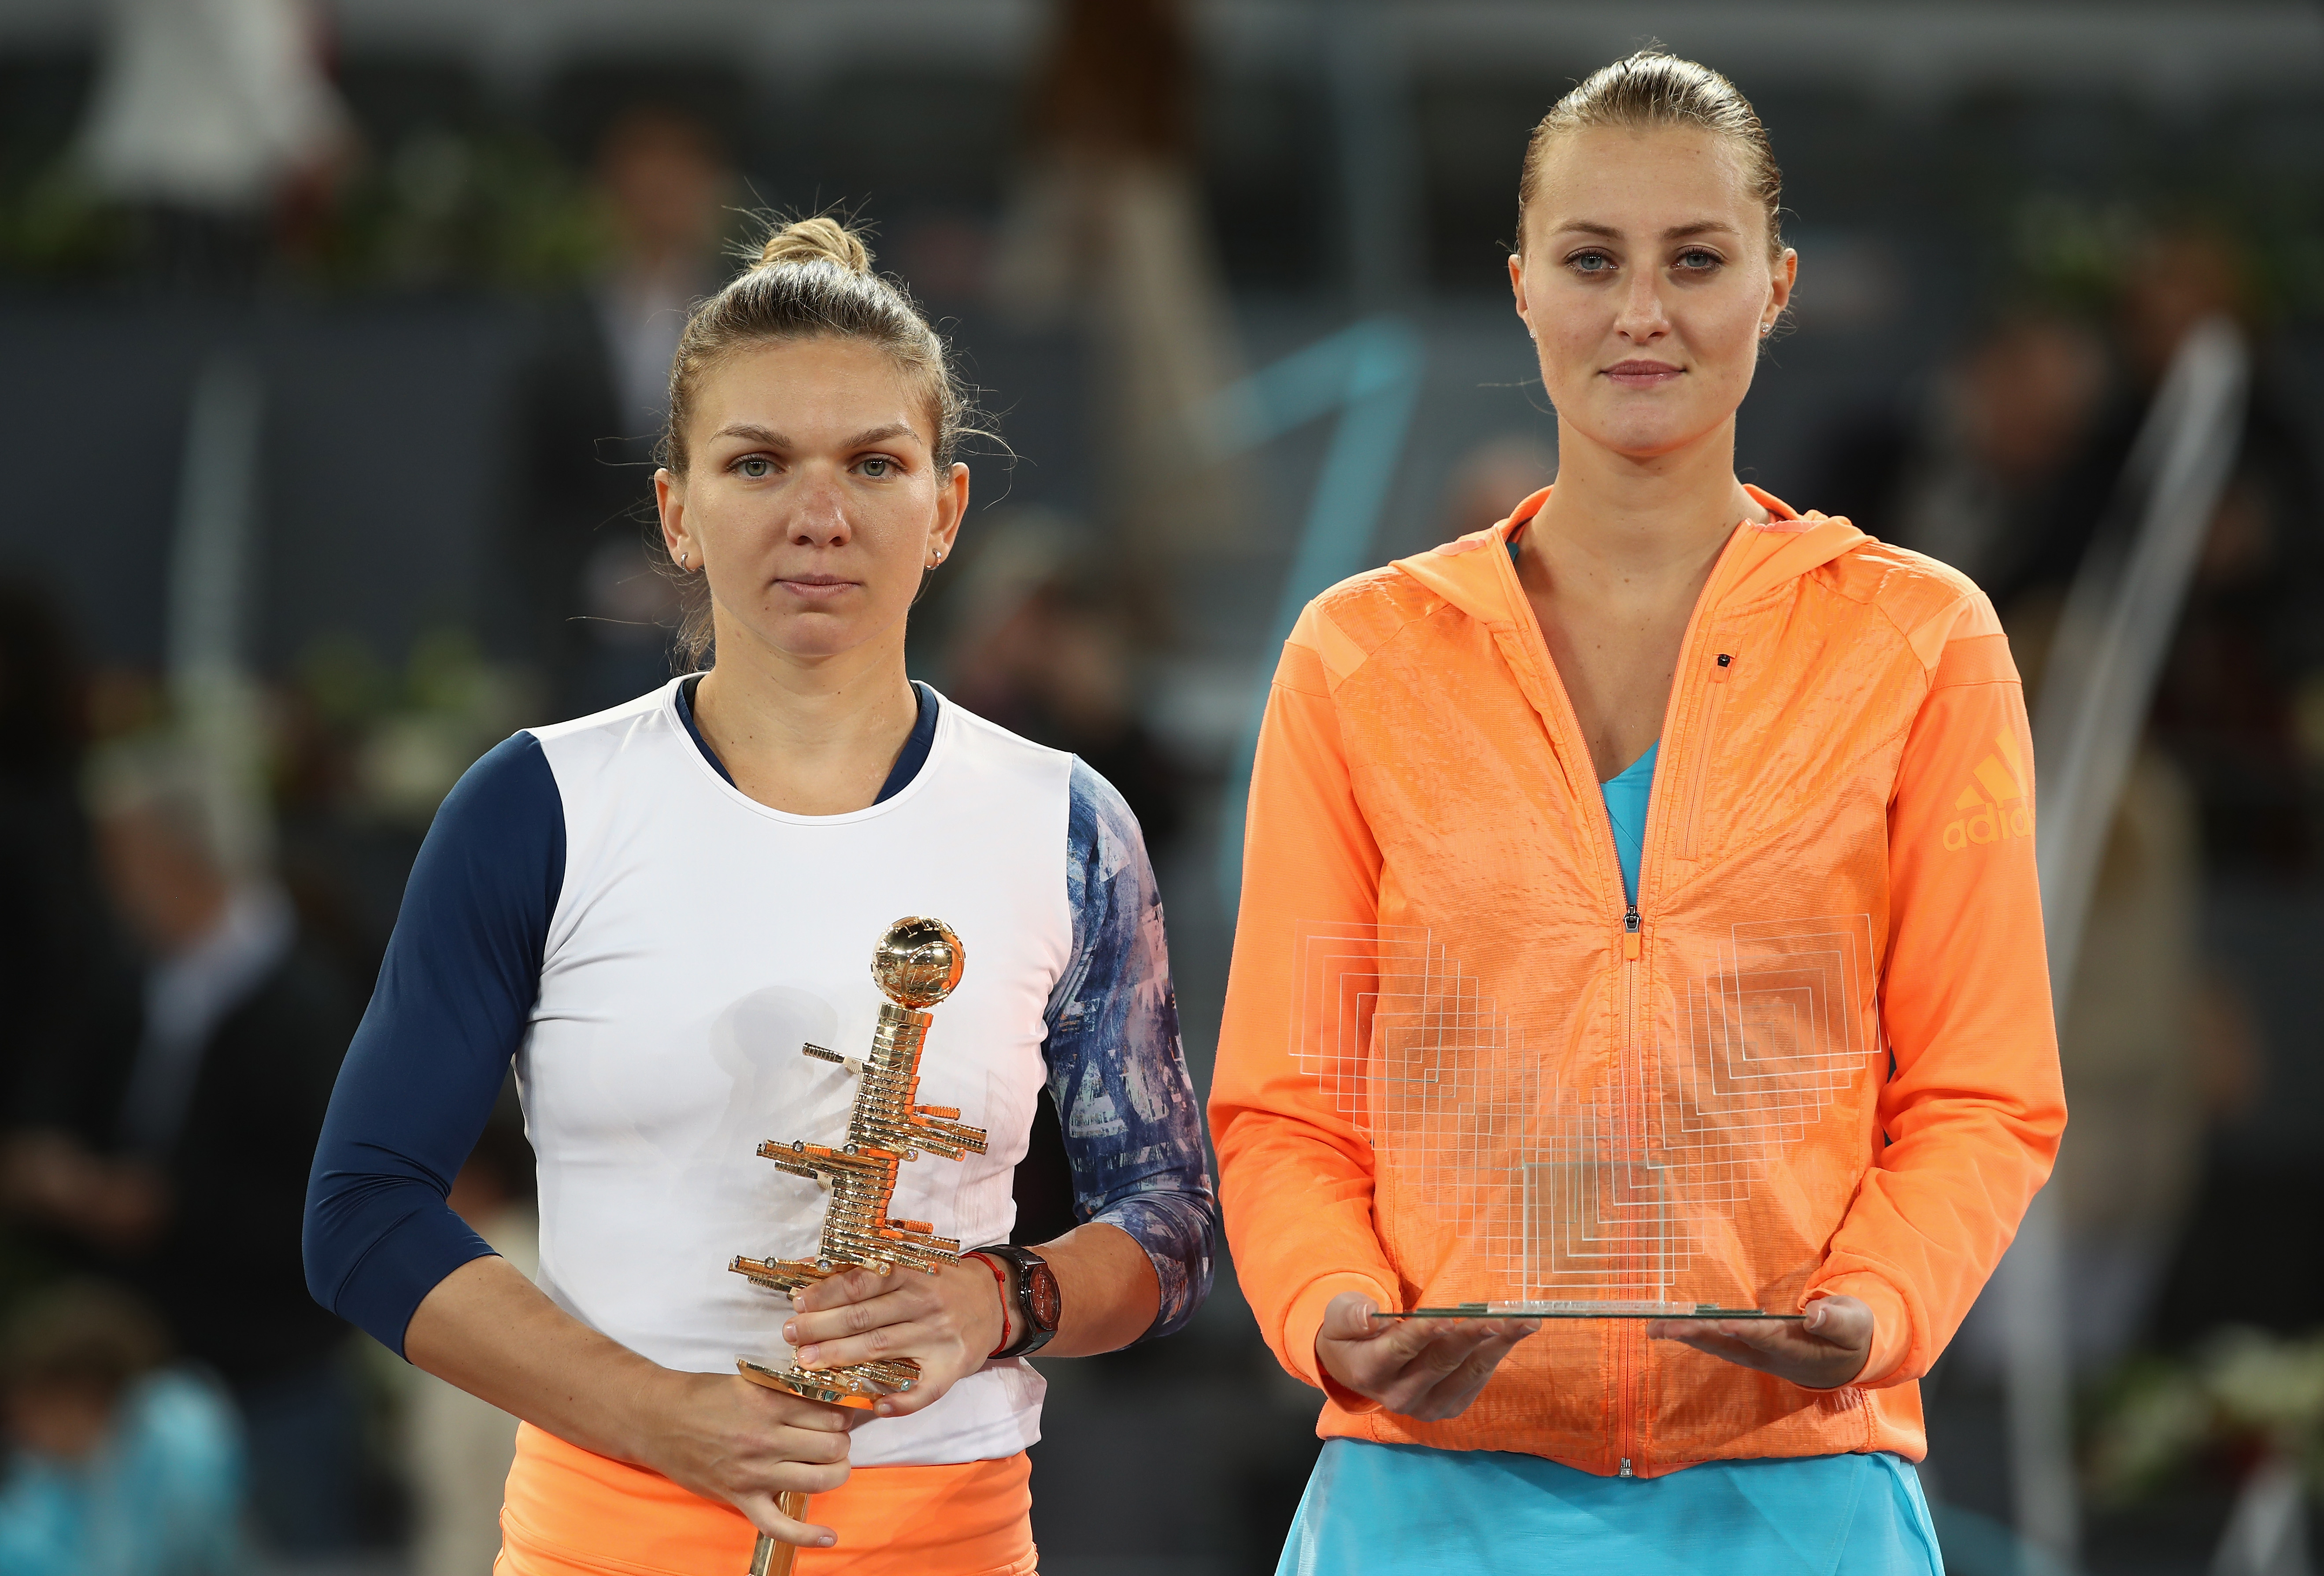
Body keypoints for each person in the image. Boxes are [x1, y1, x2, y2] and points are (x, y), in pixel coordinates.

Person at [1208, 51, 2065, 1572]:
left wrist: (1874, 1304)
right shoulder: (1358, 652)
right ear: (1523, 284)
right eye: (1591, 260)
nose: (1641, 311)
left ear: (1776, 285)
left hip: (1799, 1487)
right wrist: (1328, 1308)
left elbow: (1979, 1087)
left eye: (1695, 260)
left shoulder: (1922, 641)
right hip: (1423, 1488)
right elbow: (1284, 1100)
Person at [305, 215, 1217, 1575]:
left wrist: (997, 1297)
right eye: (758, 464)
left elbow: (1169, 1218)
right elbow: (364, 1211)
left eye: (873, 463)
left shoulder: (1068, 823)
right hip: (602, 1536)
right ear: (677, 508)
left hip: (951, 1536)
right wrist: (662, 1415)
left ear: (947, 508)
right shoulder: (541, 805)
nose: (820, 514)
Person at [3, 736, 359, 1557]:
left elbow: (329, 1193)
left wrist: (168, 1207)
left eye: (123, 859)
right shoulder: (131, 981)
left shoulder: (307, 1002)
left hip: (272, 1374)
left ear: (179, 857)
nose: (111, 884)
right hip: (141, 1365)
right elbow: (70, 1102)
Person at [0, 1280, 244, 1576]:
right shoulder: (45, 1476)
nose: (23, 1430)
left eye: (33, 1409)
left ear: (84, 1395)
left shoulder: (178, 1440)